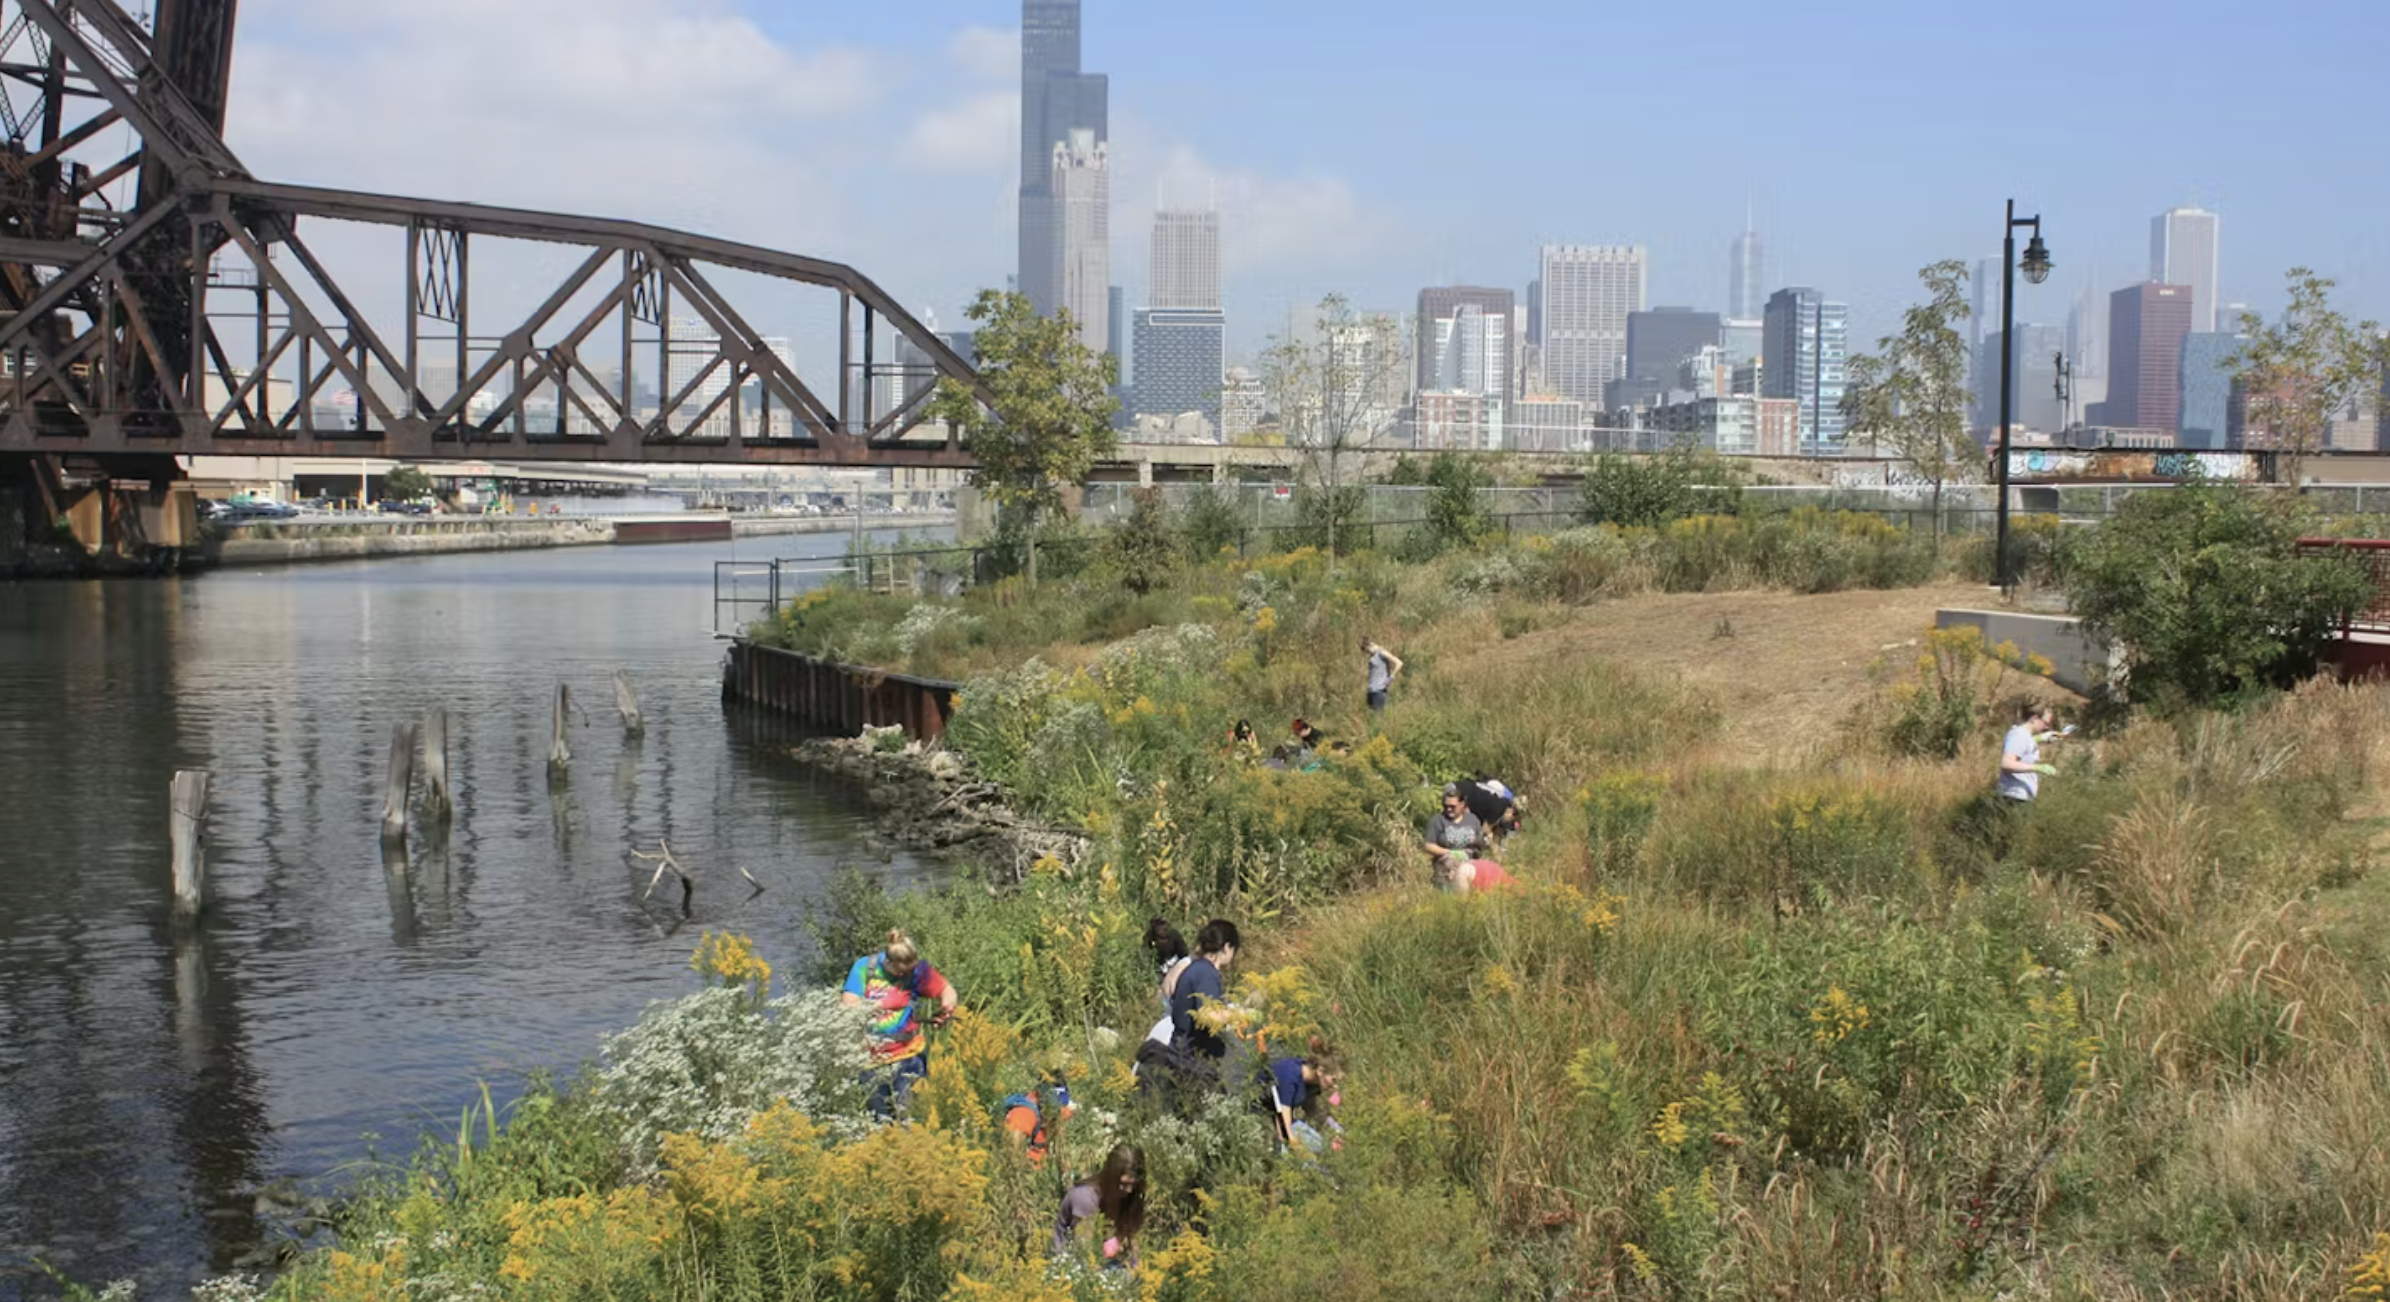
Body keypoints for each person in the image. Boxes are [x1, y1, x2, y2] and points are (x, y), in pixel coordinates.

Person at [840, 929, 958, 1118]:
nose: (906, 974)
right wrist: (883, 1004)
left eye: (910, 970)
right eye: (902, 971)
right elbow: (846, 1009)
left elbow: (946, 990)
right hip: (871, 1062)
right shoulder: (864, 968)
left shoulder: (918, 971)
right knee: (880, 1123)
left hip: (908, 1057)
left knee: (910, 1119)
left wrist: (947, 1006)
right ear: (889, 962)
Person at [1054, 1144, 1146, 1270]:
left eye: (1133, 1184)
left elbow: (1132, 1240)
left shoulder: (1129, 1197)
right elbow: (1085, 1251)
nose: (1129, 1190)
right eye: (1123, 1184)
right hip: (1071, 1263)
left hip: (1108, 1262)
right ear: (1110, 1177)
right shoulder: (1086, 1197)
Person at [1259, 1039, 1339, 1150]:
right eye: (1334, 1080)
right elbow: (1283, 1111)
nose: (1335, 1087)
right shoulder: (1291, 1075)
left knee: (1319, 1146)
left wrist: (1335, 1128)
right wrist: (1293, 1141)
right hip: (1261, 1112)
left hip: (1282, 1117)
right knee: (1283, 1151)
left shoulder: (1313, 1082)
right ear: (1320, 1071)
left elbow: (1311, 1109)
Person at [1998, 702, 2065, 805]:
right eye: (2045, 723)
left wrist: (2041, 738)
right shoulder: (2019, 734)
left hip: (2021, 796)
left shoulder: (2024, 735)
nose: (2047, 727)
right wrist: (2038, 767)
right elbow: (2006, 763)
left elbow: (2023, 746)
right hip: (2013, 797)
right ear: (2034, 718)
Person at [1143, 918, 1193, 1047]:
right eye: (1161, 939)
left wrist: (1174, 972)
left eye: (1166, 938)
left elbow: (1185, 956)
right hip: (1158, 969)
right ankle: (1164, 1019)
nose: (1164, 941)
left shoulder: (1175, 936)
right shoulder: (1148, 941)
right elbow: (1146, 961)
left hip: (1175, 965)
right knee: (1162, 997)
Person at [1423, 783, 1487, 869]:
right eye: (1446, 806)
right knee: (1449, 862)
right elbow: (1428, 846)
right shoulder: (1438, 820)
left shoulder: (1473, 820)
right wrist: (1450, 852)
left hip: (1470, 863)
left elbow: (1480, 843)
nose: (1449, 809)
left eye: (1452, 806)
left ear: (1462, 804)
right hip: (1446, 864)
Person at [1460, 772, 1524, 849]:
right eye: (1512, 816)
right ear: (1511, 811)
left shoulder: (1502, 800)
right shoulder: (1499, 806)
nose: (1510, 819)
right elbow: (1486, 829)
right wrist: (1494, 846)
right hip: (1465, 799)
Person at [1362, 638, 1405, 712]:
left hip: (1379, 691)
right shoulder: (1373, 656)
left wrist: (1391, 677)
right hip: (1371, 691)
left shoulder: (1381, 653)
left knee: (1377, 718)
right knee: (1370, 719)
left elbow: (1399, 663)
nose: (1368, 653)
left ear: (1370, 645)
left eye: (1367, 650)